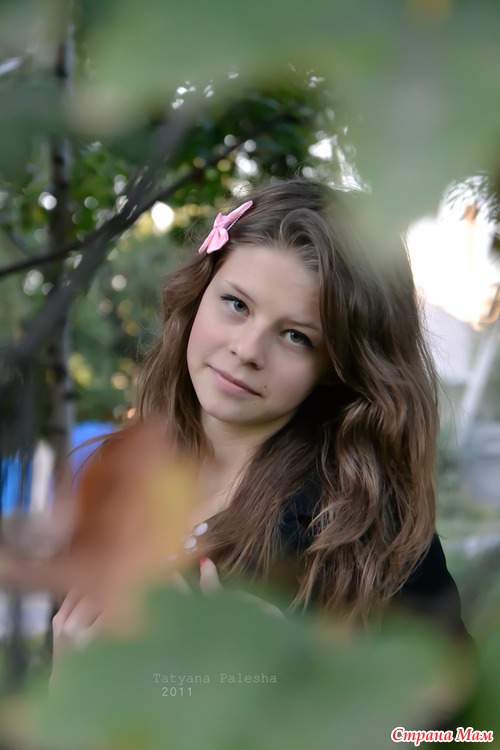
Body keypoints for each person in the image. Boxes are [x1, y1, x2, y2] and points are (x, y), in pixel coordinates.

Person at [52, 178, 468, 657]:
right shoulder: (116, 475)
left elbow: (457, 706)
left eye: (296, 336)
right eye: (236, 304)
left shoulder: (371, 533)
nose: (247, 350)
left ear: (336, 367)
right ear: (198, 294)